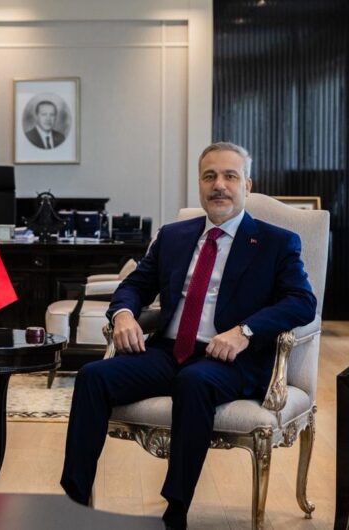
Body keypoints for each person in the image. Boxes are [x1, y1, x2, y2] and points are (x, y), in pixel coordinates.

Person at [60, 142, 316, 529]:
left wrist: (245, 331)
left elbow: (302, 302)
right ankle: (73, 502)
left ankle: (175, 511)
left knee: (194, 381)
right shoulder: (174, 236)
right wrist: (124, 314)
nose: (219, 185)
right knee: (93, 376)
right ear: (199, 183)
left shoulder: (276, 242)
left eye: (230, 176)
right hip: (168, 351)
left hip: (232, 360)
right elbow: (134, 286)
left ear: (247, 184)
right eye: (209, 176)